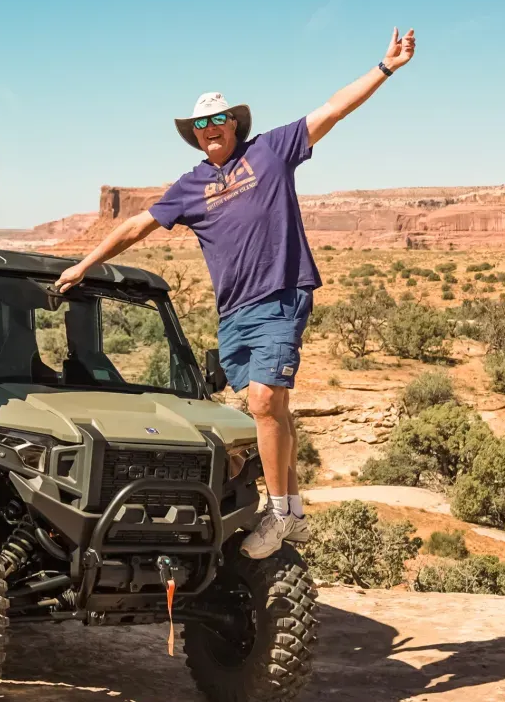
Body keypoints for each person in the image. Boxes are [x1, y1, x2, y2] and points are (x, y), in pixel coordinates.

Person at [59, 28, 417, 558]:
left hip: (280, 294)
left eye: (216, 120)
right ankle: (293, 510)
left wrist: (384, 68)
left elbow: (333, 109)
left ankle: (277, 512)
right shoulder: (191, 185)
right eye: (199, 124)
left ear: (233, 123)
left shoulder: (271, 150)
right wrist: (85, 263)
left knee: (264, 400)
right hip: (234, 314)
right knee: (268, 412)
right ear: (195, 134)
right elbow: (136, 226)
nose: (209, 130)